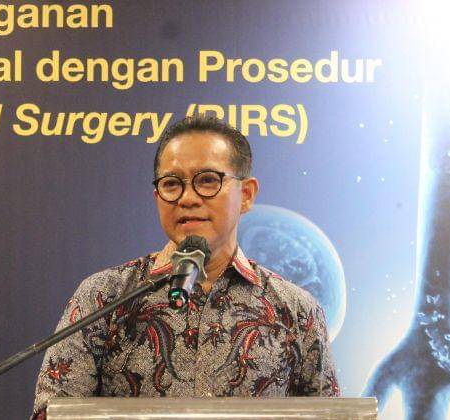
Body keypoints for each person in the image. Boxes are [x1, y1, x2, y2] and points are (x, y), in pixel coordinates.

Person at [30, 115, 339, 419]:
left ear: (245, 195)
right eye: (171, 184)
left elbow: (329, 416)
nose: (188, 198)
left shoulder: (297, 310)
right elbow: (54, 413)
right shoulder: (104, 297)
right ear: (157, 197)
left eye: (208, 180)